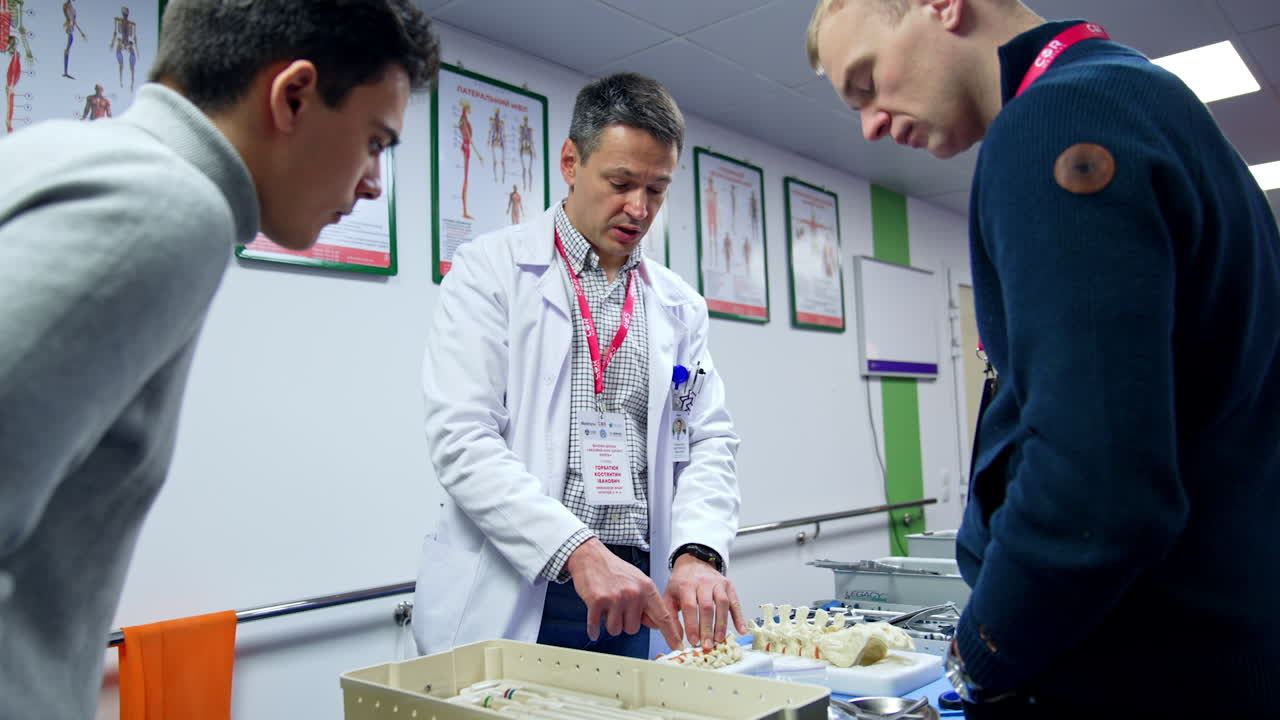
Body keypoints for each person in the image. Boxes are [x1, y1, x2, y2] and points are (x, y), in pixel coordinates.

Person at [808, 0, 1279, 715]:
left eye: (868, 83)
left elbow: (1093, 491)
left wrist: (981, 653)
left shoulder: (1054, 123)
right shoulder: (1145, 95)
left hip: (1140, 672)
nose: (870, 124)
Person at [0, 2, 438, 717]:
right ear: (292, 95)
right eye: (375, 142)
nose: (372, 184)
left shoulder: (62, 153)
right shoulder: (168, 206)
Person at [416, 72, 747, 661]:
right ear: (571, 162)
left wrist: (698, 551)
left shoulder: (678, 304)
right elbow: (461, 439)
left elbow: (707, 440)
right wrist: (578, 550)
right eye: (621, 182)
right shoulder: (489, 272)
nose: (638, 209)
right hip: (526, 581)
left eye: (657, 189)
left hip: (633, 591)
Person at [62, 0, 86, 79]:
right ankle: (65, 72)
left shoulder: (73, 9)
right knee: (68, 46)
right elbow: (68, 17)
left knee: (69, 45)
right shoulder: (66, 5)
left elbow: (74, 22)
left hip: (71, 27)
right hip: (69, 27)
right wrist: (68, 22)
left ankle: (66, 71)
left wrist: (81, 32)